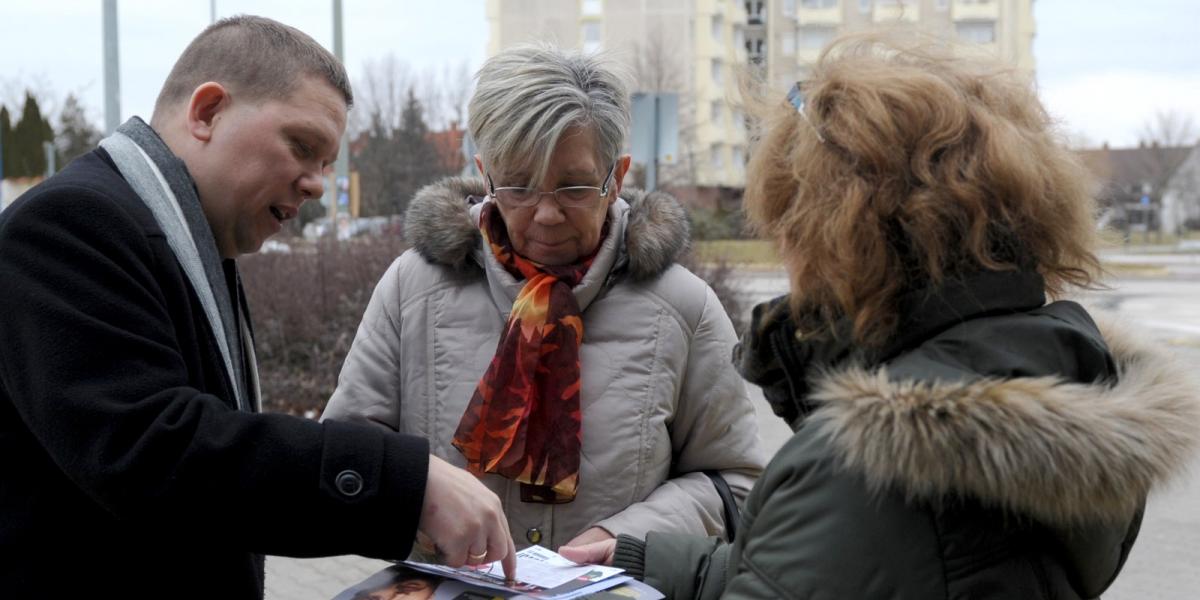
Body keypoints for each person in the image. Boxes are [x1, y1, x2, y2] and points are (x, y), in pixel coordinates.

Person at [560, 32, 1200, 598]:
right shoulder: (1055, 378)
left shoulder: (860, 473)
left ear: (841, 236)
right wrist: (656, 561)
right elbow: (864, 568)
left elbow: (854, 549)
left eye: (787, 214)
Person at [0, 16, 514, 597]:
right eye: (303, 146)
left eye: (327, 164)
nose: (319, 184)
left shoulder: (183, 239)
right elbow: (151, 451)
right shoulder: (70, 224)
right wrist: (406, 481)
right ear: (207, 112)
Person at [321, 43, 765, 553]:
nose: (546, 213)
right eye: (518, 187)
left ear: (616, 177)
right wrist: (418, 492)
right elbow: (346, 455)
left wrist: (627, 539)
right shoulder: (413, 289)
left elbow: (736, 483)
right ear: (486, 175)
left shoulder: (684, 309)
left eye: (574, 187)